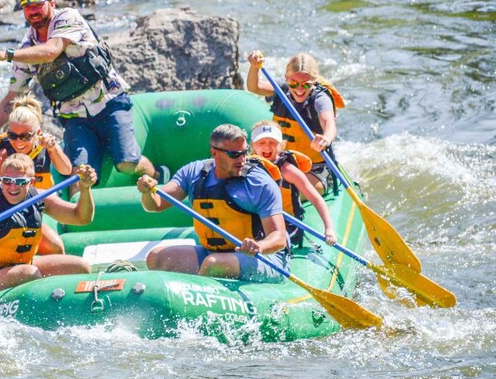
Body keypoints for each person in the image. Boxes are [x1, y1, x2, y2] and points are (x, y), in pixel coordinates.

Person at [0, 0, 165, 192]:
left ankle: (157, 175)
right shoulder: (26, 49)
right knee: (78, 178)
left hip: (110, 103)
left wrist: (6, 55)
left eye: (38, 5)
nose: (33, 11)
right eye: (27, 7)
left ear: (51, 3)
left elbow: (51, 51)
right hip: (75, 118)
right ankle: (83, 221)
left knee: (126, 163)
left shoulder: (68, 18)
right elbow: (13, 95)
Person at [135, 124, 289, 282]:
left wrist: (259, 246)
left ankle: (196, 296)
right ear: (215, 153)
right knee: (156, 257)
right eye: (234, 154)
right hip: (213, 254)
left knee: (214, 264)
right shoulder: (194, 173)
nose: (242, 159)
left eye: (245, 152)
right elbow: (155, 205)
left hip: (263, 258)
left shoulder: (259, 183)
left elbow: (279, 238)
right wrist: (147, 192)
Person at [0, 154, 97, 302]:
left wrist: (85, 189)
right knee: (29, 273)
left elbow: (81, 218)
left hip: (21, 266)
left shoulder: (40, 198)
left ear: (32, 182)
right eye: (7, 181)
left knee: (81, 267)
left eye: (20, 182)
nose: (12, 187)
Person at [0, 93, 72, 254]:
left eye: (25, 136)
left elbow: (66, 170)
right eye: (13, 136)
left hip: (30, 212)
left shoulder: (45, 148)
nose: (19, 142)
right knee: (53, 246)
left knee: (56, 247)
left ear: (38, 133)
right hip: (1, 217)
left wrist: (53, 149)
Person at [245, 50, 346, 195]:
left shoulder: (320, 99)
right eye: (293, 83)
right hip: (281, 162)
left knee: (285, 193)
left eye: (306, 85)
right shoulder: (281, 88)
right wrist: (254, 67)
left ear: (314, 81)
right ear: (286, 78)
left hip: (316, 169)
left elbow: (329, 123)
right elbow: (254, 87)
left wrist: (326, 138)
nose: (299, 89)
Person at [250, 119, 337, 248]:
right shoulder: (247, 166)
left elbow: (316, 199)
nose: (267, 147)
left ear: (281, 145)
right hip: (258, 223)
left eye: (272, 142)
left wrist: (329, 228)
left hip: (287, 226)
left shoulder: (288, 170)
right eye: (261, 142)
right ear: (252, 145)